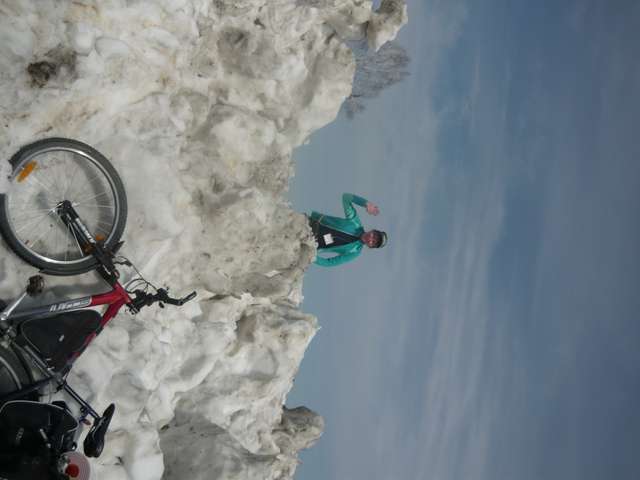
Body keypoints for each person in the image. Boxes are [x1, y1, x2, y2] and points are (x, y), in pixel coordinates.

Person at [308, 193, 387, 267]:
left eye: (373, 242)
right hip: (309, 224)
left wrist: (311, 256)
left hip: (309, 244)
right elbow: (346, 198)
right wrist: (366, 203)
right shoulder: (355, 223)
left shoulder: (354, 252)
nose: (370, 238)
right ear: (372, 230)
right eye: (374, 235)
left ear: (370, 246)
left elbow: (330, 263)